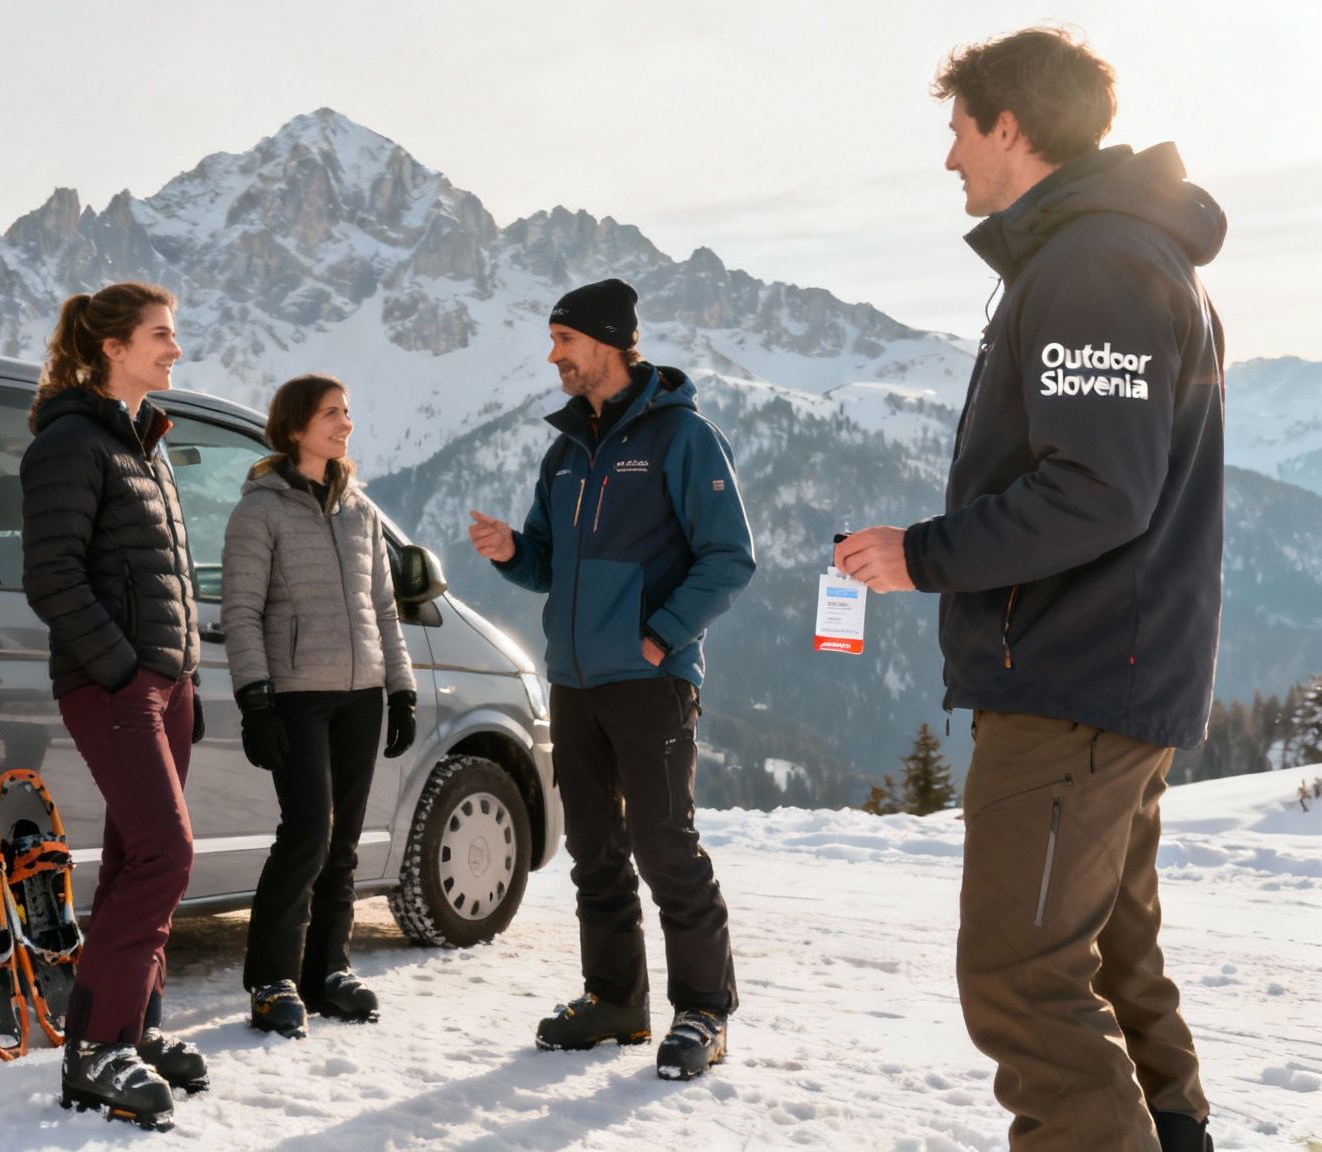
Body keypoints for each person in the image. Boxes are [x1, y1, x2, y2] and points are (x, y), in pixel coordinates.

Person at [833, 27, 1224, 1152]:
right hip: (1105, 672)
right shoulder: (1103, 253)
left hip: (1072, 680)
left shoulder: (1093, 263)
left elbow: (1097, 490)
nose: (948, 160)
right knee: (1105, 954)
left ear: (1008, 125)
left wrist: (923, 555)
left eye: (956, 131)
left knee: (1017, 974)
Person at [469, 278, 755, 1081]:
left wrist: (664, 637)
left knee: (665, 846)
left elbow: (730, 558)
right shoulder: (565, 451)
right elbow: (547, 561)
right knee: (595, 849)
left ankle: (702, 1011)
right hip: (576, 681)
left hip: (650, 679)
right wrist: (511, 554)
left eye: (563, 339)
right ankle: (616, 1001)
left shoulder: (681, 437)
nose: (552, 355)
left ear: (606, 342)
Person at [21, 280, 208, 1129]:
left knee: (139, 862)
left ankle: (130, 1027)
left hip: (168, 684)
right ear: (112, 347)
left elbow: (157, 576)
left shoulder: (145, 444)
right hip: (115, 683)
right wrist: (127, 673)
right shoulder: (71, 442)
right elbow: (51, 576)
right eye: (161, 335)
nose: (175, 348)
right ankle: (95, 1052)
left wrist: (180, 679)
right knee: (168, 857)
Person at [220, 373, 417, 1039]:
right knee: (307, 833)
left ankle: (326, 969)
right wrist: (255, 700)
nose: (345, 424)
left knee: (344, 842)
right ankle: (272, 979)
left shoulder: (359, 511)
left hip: (360, 695)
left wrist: (402, 688)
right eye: (332, 413)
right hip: (297, 696)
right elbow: (241, 613)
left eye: (348, 411)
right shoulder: (261, 510)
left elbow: (384, 610)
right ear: (297, 425)